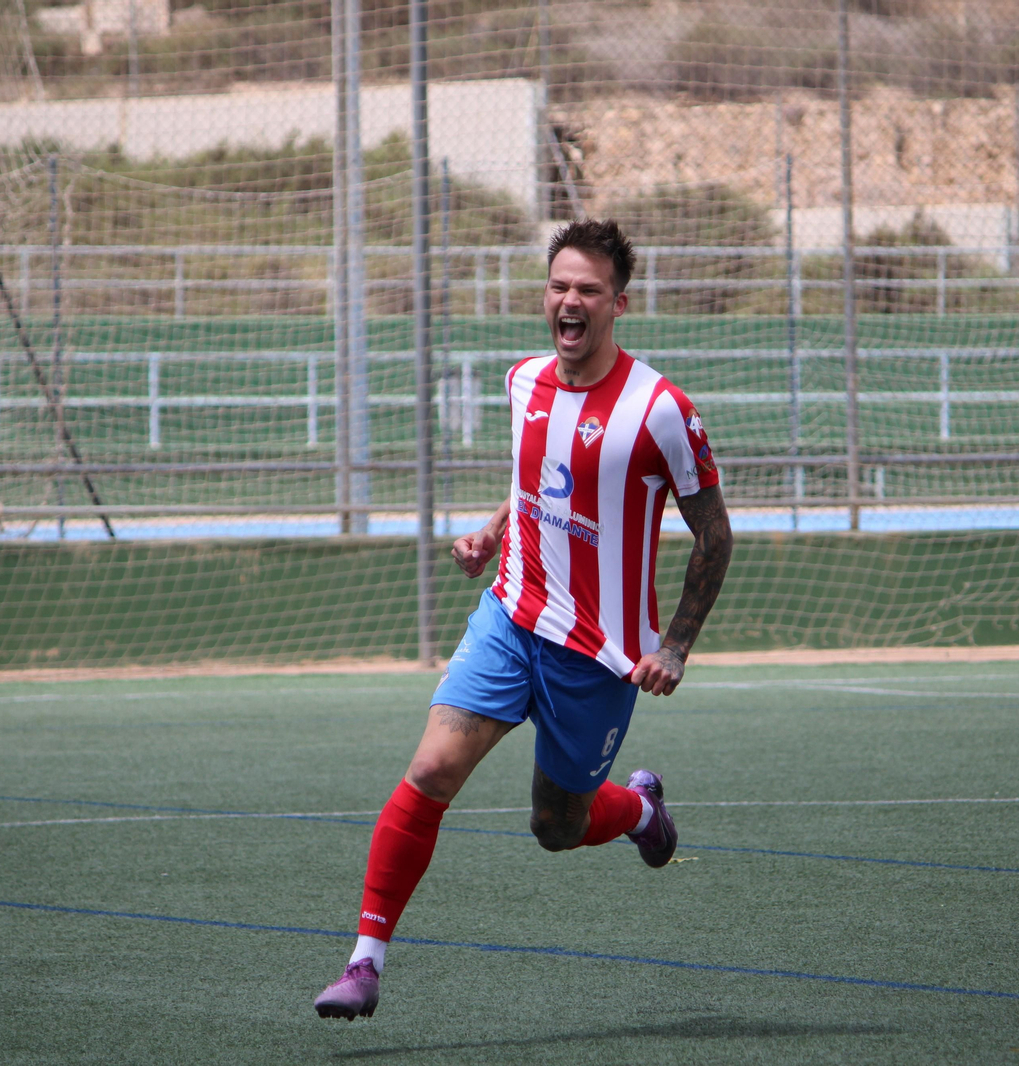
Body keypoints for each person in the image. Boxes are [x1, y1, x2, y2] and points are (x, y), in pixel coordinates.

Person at [313, 219, 734, 1020]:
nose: (569, 301)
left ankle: (640, 809)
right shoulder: (522, 381)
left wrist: (675, 646)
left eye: (588, 290)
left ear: (619, 304)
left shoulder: (662, 410)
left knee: (554, 826)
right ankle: (364, 963)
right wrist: (493, 530)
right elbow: (536, 478)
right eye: (559, 286)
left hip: (600, 657)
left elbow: (714, 534)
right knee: (432, 771)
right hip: (511, 616)